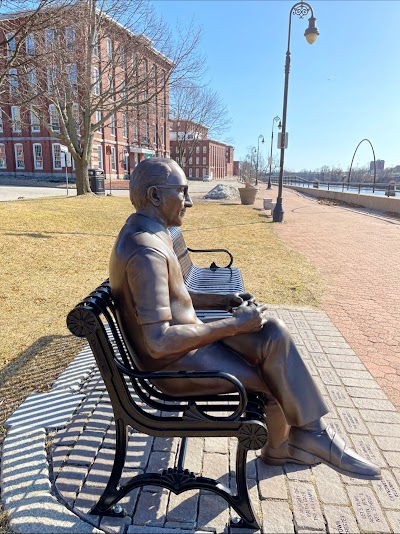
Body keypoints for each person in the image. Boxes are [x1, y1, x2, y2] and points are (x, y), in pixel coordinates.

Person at [109, 157, 380, 479]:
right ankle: (302, 441)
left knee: (272, 333)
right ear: (155, 196)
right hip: (170, 367)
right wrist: (237, 324)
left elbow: (173, 298)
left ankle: (307, 435)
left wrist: (223, 300)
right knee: (277, 378)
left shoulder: (150, 234)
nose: (190, 202)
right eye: (182, 192)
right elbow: (158, 343)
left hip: (186, 345)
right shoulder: (146, 251)